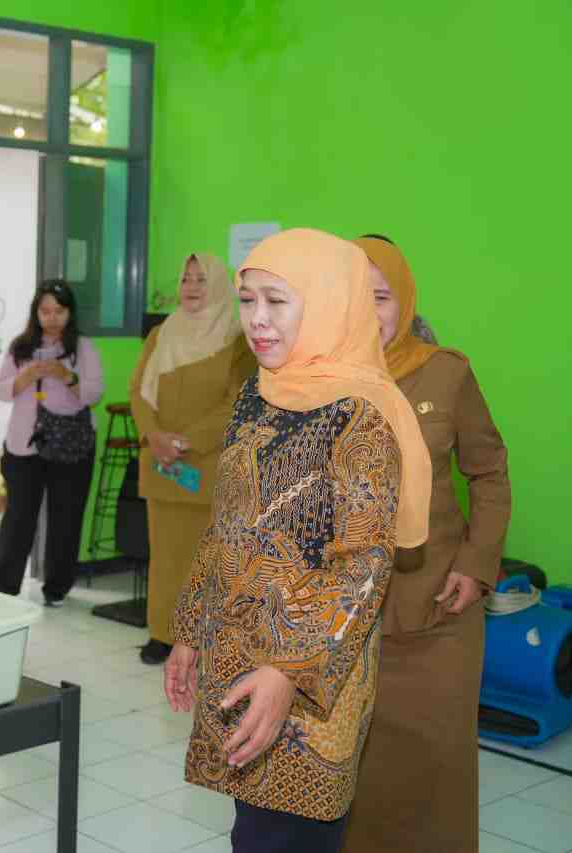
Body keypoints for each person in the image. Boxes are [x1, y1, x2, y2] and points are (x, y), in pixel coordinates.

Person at [164, 228, 432, 853]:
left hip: (313, 684)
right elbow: (225, 523)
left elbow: (364, 567)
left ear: (330, 301)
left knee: (290, 835)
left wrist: (291, 671)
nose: (256, 320)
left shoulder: (361, 415)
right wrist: (188, 627)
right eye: (248, 299)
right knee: (252, 830)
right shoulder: (261, 392)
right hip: (236, 649)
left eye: (277, 301)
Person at [342, 235, 511, 853]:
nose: (367, 312)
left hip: (440, 611)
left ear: (406, 301)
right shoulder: (310, 383)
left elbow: (489, 474)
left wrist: (477, 564)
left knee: (437, 768)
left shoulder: (447, 373)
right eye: (353, 297)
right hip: (341, 623)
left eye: (380, 297)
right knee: (351, 776)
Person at [130, 253, 256, 664]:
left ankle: (201, 638)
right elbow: (138, 392)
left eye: (202, 279)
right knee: (164, 556)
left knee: (206, 559)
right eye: (186, 279)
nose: (192, 287)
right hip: (162, 464)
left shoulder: (239, 341)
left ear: (220, 286)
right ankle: (161, 633)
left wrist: (186, 441)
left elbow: (237, 402)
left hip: (207, 465)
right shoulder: (160, 335)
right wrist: (154, 435)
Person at [0, 280, 104, 606]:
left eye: (59, 311)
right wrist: (23, 378)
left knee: (65, 518)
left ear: (70, 313)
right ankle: (4, 587)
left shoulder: (82, 347)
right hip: (24, 444)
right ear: (36, 312)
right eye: (45, 311)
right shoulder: (20, 346)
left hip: (71, 445)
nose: (52, 318)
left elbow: (95, 393)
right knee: (17, 518)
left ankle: (56, 587)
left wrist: (67, 377)